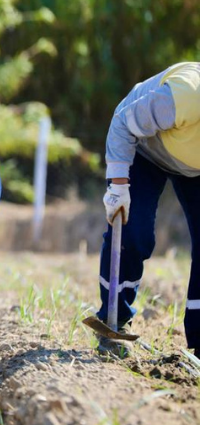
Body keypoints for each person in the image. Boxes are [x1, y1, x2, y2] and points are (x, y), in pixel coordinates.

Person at [97, 61, 200, 357]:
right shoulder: (185, 96)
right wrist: (118, 186)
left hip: (194, 166)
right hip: (144, 147)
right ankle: (114, 322)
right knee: (134, 232)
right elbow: (122, 123)